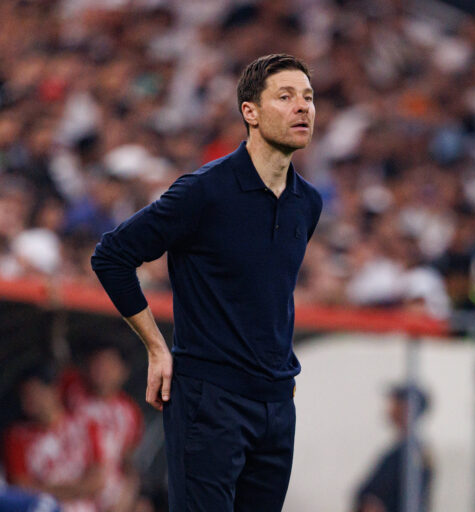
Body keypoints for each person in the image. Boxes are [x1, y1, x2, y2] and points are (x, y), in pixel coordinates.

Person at [90, 53, 323, 511]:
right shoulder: (204, 191)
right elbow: (112, 256)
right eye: (286, 96)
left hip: (277, 403)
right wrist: (157, 347)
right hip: (209, 400)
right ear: (249, 113)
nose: (303, 107)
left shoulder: (307, 203)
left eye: (309, 97)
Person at [3, 366, 105, 512]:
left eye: (35, 392)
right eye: (25, 395)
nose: (30, 401)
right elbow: (21, 489)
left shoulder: (86, 425)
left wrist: (44, 489)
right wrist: (77, 489)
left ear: (54, 390)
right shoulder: (16, 437)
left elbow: (98, 480)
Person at [59, 343, 144, 512]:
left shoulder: (129, 411)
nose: (101, 370)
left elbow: (127, 461)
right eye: (97, 363)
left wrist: (129, 494)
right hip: (68, 484)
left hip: (108, 494)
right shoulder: (71, 387)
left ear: (123, 371)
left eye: (109, 364)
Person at [354, 385, 433, 512]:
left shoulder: (409, 454)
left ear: (406, 408)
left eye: (395, 403)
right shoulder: (406, 451)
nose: (389, 408)